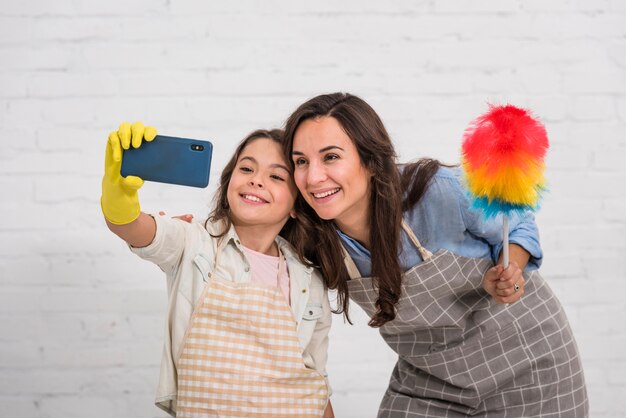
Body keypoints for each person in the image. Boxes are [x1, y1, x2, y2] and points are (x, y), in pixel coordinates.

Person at [281, 93, 588, 417]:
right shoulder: (310, 233)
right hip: (429, 378)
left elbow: (519, 224)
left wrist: (510, 271)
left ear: (370, 160)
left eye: (330, 157)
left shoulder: (434, 191)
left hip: (527, 363)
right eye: (301, 161)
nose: (313, 177)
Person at [100, 122, 334, 417]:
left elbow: (316, 381)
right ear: (229, 183)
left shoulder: (308, 279)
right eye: (247, 169)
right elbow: (135, 229)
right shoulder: (193, 241)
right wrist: (118, 199)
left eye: (276, 176)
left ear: (297, 205)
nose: (256, 181)